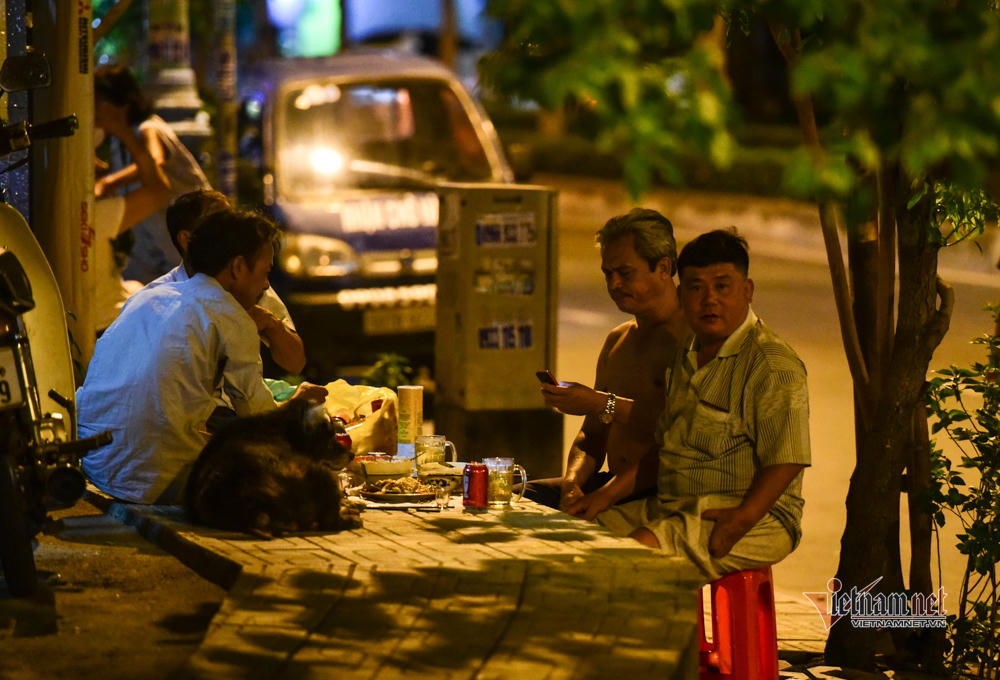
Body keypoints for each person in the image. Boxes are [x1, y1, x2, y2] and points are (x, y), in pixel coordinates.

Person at [594, 229, 810, 582]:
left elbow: (788, 457)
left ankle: (654, 637)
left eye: (722, 286)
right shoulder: (688, 351)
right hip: (674, 505)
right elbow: (666, 445)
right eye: (696, 288)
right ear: (681, 295)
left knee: (630, 559)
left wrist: (741, 519)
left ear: (747, 290)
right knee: (579, 539)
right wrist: (606, 495)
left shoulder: (771, 363)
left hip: (753, 515)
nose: (709, 299)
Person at [78, 210, 327, 505]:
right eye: (264, 272)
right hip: (155, 481)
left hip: (96, 466)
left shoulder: (148, 296)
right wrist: (297, 404)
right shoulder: (229, 315)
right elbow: (260, 420)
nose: (265, 285)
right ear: (237, 267)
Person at [525, 208, 687, 514]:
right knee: (515, 499)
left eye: (625, 273)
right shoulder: (618, 340)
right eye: (607, 274)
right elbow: (592, 436)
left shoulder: (691, 338)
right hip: (608, 482)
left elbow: (682, 426)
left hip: (661, 491)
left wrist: (601, 402)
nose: (613, 284)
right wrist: (573, 483)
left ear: (663, 267)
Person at [146, 189, 307, 376]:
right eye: (219, 226)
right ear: (187, 239)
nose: (234, 233)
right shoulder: (158, 301)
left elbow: (295, 363)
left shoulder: (249, 287)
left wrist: (271, 324)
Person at [94, 64, 212, 284]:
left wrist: (109, 181)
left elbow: (155, 160)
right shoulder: (118, 141)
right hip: (156, 246)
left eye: (99, 102)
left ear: (117, 103)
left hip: (185, 233)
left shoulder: (148, 128)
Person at [92, 94, 171, 335]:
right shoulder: (93, 217)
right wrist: (123, 132)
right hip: (115, 323)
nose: (101, 165)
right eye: (92, 158)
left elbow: (157, 162)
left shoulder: (148, 127)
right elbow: (159, 187)